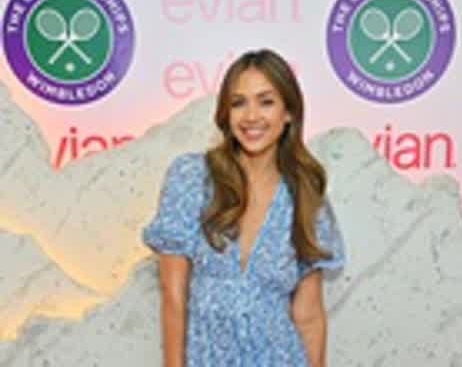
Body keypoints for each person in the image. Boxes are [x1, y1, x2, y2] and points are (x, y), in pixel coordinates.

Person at [142, 48, 346, 367]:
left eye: (266, 102)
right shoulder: (192, 177)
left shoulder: (305, 194)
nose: (251, 116)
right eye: (238, 103)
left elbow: (308, 316)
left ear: (288, 113)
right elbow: (173, 294)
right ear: (226, 113)